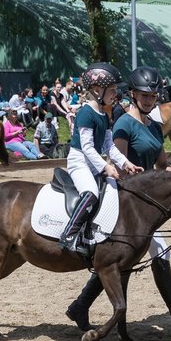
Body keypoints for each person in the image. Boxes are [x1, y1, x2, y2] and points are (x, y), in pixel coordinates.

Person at [65, 65, 171, 334]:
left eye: (153, 96)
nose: (149, 100)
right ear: (133, 95)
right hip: (131, 201)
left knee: (126, 258)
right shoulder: (123, 123)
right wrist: (123, 169)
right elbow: (114, 160)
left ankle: (80, 306)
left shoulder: (155, 126)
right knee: (134, 255)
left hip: (151, 200)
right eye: (145, 95)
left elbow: (162, 163)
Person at [59, 63, 139, 256]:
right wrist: (105, 167)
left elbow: (109, 146)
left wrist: (125, 163)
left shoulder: (104, 114)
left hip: (93, 163)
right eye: (112, 90)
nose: (115, 94)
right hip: (79, 162)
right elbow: (86, 147)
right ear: (97, 90)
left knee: (116, 189)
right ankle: (69, 234)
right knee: (92, 192)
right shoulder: (86, 113)